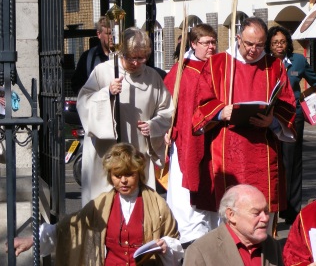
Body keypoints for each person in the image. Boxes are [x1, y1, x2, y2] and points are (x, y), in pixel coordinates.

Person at [9, 143, 183, 265]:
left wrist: (166, 245)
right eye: (117, 175)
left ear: (138, 174)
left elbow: (174, 241)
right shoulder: (101, 205)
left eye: (128, 174)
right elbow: (69, 228)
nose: (123, 180)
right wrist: (33, 240)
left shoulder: (157, 204)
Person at [191, 17, 296, 217]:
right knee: (231, 212)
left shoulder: (274, 66)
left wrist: (272, 121)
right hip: (226, 148)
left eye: (259, 45)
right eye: (248, 44)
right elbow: (201, 103)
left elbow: (287, 104)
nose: (253, 50)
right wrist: (221, 111)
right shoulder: (217, 64)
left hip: (262, 150)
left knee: (260, 214)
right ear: (238, 38)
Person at [77, 27, 173, 206]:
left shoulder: (152, 77)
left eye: (141, 58)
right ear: (122, 53)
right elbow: (84, 102)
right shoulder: (104, 71)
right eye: (132, 57)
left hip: (138, 147)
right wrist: (107, 93)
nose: (136, 63)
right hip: (106, 150)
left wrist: (153, 126)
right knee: (105, 204)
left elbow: (166, 110)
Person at [164, 24, 220, 246]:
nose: (211, 47)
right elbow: (166, 103)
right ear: (193, 44)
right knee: (185, 197)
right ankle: (189, 243)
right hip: (188, 140)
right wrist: (167, 129)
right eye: (206, 43)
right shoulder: (182, 71)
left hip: (214, 141)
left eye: (213, 42)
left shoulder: (221, 68)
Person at [266, 25, 316, 224]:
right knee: (274, 162)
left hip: (293, 117)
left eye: (282, 42)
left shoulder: (298, 61)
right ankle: (275, 205)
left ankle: (292, 211)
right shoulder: (265, 62)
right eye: (274, 43)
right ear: (269, 45)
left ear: (288, 43)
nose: (279, 46)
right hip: (270, 118)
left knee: (292, 163)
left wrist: (314, 103)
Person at [183, 184, 284, 266]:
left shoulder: (272, 245)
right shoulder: (200, 251)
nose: (265, 218)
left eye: (266, 211)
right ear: (231, 215)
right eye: (256, 213)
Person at [71, 16, 113, 95]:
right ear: (99, 34)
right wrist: (88, 100)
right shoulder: (87, 57)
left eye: (113, 33)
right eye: (108, 33)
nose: (111, 37)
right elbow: (76, 83)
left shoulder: (122, 56)